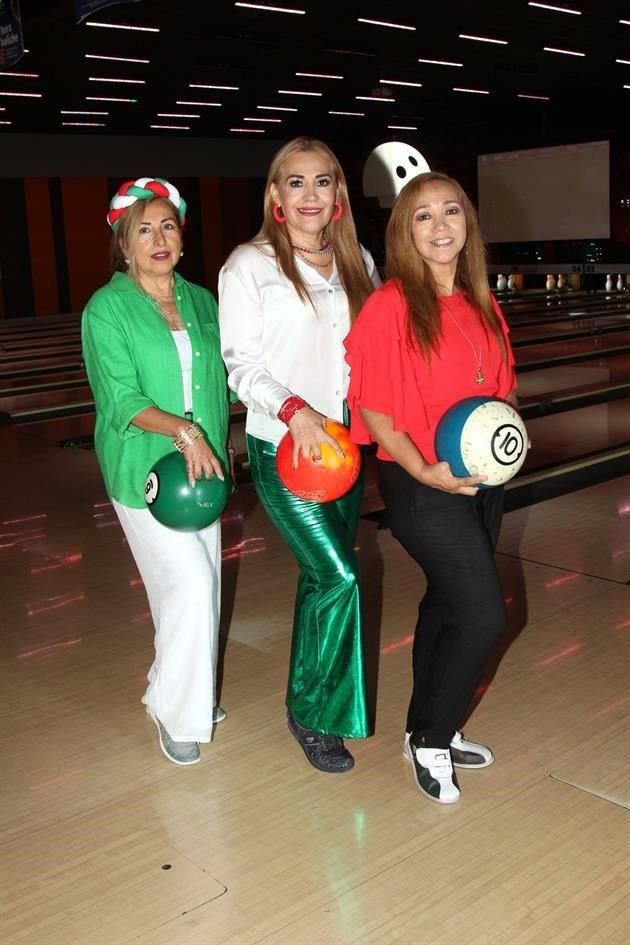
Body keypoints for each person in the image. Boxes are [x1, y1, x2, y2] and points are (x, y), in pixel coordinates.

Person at [345, 171, 523, 803]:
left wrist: (502, 445)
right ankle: (431, 740)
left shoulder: (481, 300)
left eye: (451, 211)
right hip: (421, 481)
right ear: (404, 232)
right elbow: (374, 412)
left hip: (482, 477)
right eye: (424, 216)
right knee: (483, 614)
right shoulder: (390, 305)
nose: (441, 225)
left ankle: (428, 728)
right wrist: (422, 470)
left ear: (467, 223)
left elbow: (502, 388)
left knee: (447, 605)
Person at [218, 137, 381, 773]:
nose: (310, 194)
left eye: (322, 182)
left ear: (338, 195)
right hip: (283, 447)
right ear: (276, 196)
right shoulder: (249, 265)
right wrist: (295, 411)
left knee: (323, 578)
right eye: (296, 182)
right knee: (340, 575)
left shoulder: (358, 260)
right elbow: (240, 364)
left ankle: (306, 698)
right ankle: (316, 715)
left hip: (344, 447)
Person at [82, 177, 231, 767]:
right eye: (144, 228)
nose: (158, 237)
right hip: (145, 468)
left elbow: (227, 377)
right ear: (123, 243)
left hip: (205, 468)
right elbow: (119, 399)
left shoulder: (200, 300)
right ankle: (179, 713)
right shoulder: (107, 308)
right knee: (189, 585)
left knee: (202, 587)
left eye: (168, 225)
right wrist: (184, 431)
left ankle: (175, 688)